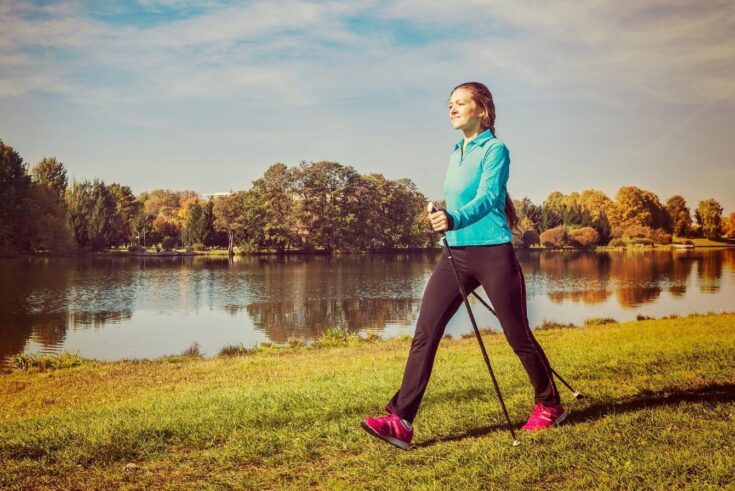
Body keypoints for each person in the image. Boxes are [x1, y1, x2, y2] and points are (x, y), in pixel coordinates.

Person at [361, 82, 566, 450]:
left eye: (461, 103)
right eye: (450, 104)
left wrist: (453, 217)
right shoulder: (456, 151)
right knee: (425, 333)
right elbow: (456, 204)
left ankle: (550, 404)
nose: (452, 109)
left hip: (493, 254)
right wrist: (442, 218)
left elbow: (489, 198)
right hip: (455, 254)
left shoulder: (496, 150)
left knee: (518, 336)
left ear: (482, 110)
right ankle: (401, 420)